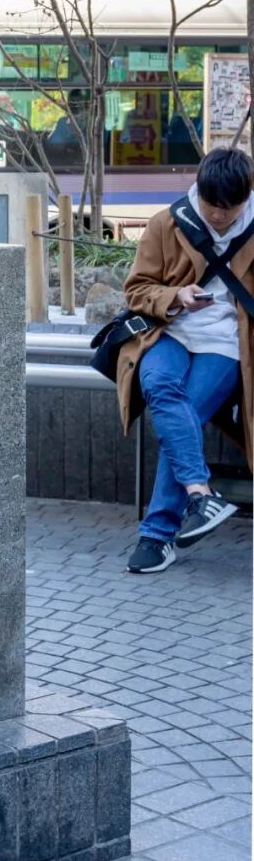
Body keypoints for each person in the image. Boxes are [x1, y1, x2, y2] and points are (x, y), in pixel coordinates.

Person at [118, 148, 254, 574]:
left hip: (227, 342)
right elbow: (136, 289)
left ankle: (156, 536)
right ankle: (199, 495)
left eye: (229, 209)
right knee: (160, 386)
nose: (219, 217)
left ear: (245, 198)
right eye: (212, 206)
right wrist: (175, 297)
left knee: (185, 417)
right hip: (169, 330)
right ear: (201, 193)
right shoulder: (167, 222)